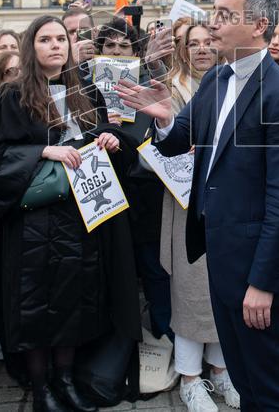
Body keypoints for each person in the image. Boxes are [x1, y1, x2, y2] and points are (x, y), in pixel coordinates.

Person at [117, 0, 279, 410]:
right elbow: (177, 142)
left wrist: (263, 282)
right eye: (214, 12)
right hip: (218, 260)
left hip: (261, 272)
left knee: (275, 387)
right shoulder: (215, 81)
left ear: (260, 24)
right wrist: (164, 117)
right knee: (244, 380)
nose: (213, 24)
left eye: (225, 15)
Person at [0, 16, 139, 412]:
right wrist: (42, 152)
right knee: (36, 307)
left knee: (74, 302)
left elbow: (109, 135)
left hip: (81, 216)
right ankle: (41, 389)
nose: (56, 46)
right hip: (35, 219)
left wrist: (109, 137)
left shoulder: (85, 88)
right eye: (45, 39)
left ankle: (66, 381)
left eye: (61, 39)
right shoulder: (11, 95)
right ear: (30, 46)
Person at [159, 22, 240, 411]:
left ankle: (221, 371)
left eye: (209, 42)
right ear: (181, 48)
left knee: (223, 287)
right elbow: (159, 143)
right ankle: (190, 378)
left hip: (226, 201)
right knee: (191, 293)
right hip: (184, 203)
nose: (203, 49)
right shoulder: (172, 88)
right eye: (194, 43)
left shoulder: (232, 82)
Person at [94, 17, 173, 342]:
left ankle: (165, 337)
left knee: (155, 272)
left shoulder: (149, 84)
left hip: (147, 194)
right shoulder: (85, 86)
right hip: (106, 195)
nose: (116, 51)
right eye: (109, 45)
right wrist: (103, 126)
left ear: (136, 51)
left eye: (123, 46)